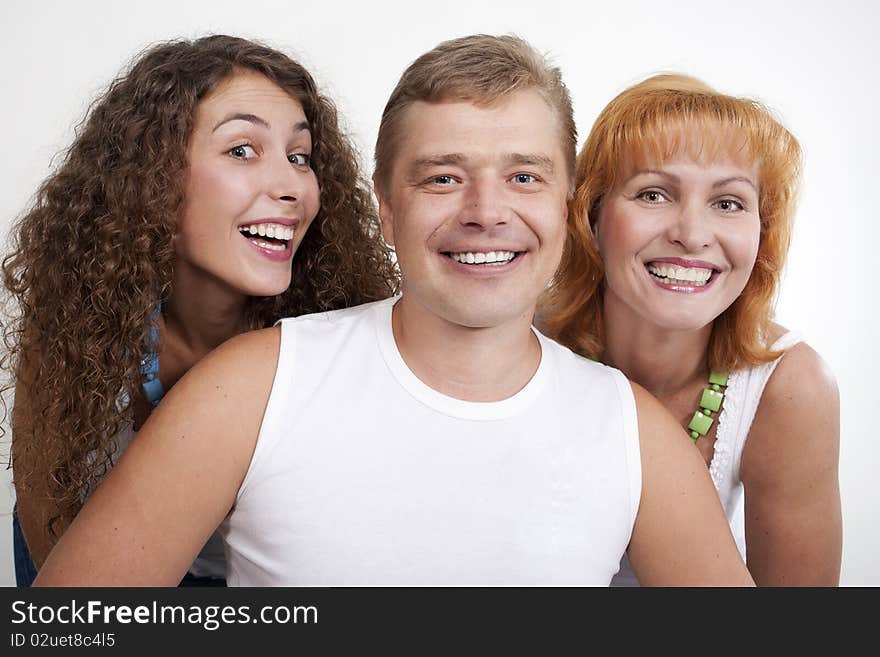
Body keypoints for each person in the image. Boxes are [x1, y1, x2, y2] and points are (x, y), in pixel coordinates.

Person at [35, 35, 752, 586]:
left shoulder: (632, 431)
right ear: (383, 206)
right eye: (443, 177)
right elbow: (65, 629)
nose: (486, 212)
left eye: (524, 177)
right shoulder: (248, 386)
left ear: (567, 208)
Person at [3, 35, 398, 586]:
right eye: (242, 150)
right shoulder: (78, 318)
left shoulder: (333, 341)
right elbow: (53, 551)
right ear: (153, 176)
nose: (289, 186)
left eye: (300, 157)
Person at [539, 74, 841, 585]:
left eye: (728, 203)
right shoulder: (520, 346)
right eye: (654, 194)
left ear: (762, 233)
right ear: (590, 218)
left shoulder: (790, 386)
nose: (692, 235)